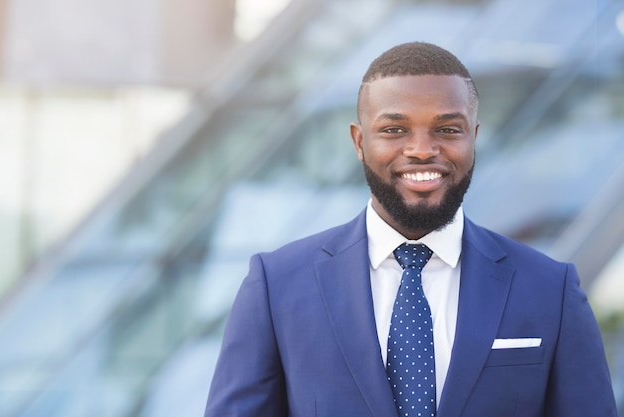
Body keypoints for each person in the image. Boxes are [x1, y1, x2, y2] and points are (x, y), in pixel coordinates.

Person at [203, 42, 617, 417]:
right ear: (359, 141)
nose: (421, 149)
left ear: (474, 138)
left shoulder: (550, 289)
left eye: (447, 129)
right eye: (394, 130)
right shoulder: (278, 286)